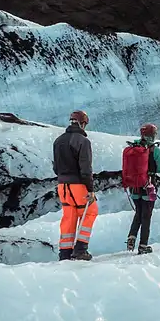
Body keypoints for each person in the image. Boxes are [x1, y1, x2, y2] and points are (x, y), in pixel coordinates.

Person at [53, 110, 98, 261]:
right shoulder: (83, 141)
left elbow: (55, 167)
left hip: (62, 186)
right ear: (82, 123)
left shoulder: (58, 141)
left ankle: (65, 252)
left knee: (69, 215)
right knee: (90, 211)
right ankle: (80, 249)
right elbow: (86, 169)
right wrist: (90, 189)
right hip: (78, 185)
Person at [126, 122, 160, 254]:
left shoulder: (134, 146)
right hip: (148, 186)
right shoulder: (154, 149)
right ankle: (143, 245)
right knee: (146, 216)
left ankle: (132, 236)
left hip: (134, 187)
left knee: (138, 212)